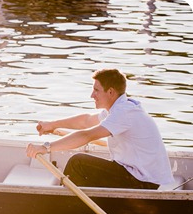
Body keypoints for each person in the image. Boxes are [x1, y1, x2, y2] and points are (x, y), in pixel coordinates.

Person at [26, 68, 174, 189]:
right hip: (141, 176)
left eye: (96, 90)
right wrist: (52, 125)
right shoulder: (119, 108)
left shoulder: (124, 113)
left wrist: (46, 148)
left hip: (145, 183)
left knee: (79, 163)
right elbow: (86, 120)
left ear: (110, 92)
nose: (92, 95)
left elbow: (87, 136)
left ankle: (69, 211)